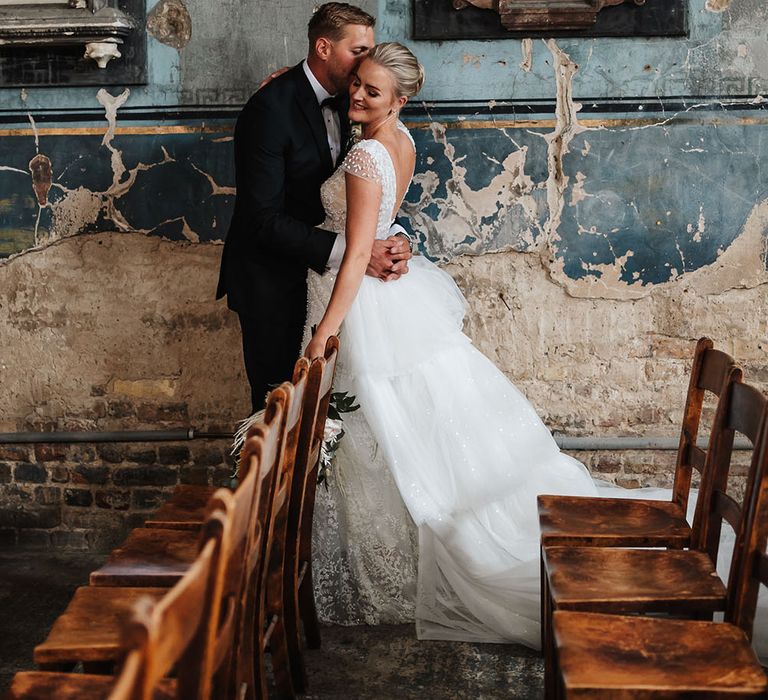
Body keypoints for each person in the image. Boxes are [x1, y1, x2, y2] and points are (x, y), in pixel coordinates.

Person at [302, 42, 601, 645]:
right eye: (356, 83)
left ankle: (406, 566)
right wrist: (398, 241)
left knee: (383, 427)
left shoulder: (364, 157)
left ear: (399, 99)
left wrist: (324, 333)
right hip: (389, 292)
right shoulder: (402, 141)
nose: (357, 95)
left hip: (362, 301)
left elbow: (358, 252)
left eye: (372, 91)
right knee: (396, 426)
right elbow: (384, 226)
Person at [217, 3, 413, 412]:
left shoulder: (356, 99)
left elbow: (372, 186)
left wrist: (395, 238)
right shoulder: (269, 110)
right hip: (273, 284)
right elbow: (262, 221)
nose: (368, 61)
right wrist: (357, 252)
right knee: (278, 415)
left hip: (333, 288)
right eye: (358, 51)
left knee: (337, 414)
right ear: (323, 48)